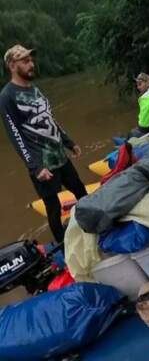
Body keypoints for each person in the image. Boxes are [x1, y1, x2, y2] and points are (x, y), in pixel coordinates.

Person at [1, 45, 87, 242]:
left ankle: (92, 226)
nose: (31, 64)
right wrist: (35, 167)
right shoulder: (7, 97)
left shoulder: (34, 89)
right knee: (54, 207)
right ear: (12, 65)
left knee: (80, 190)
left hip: (59, 154)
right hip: (42, 163)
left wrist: (68, 142)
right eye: (25, 61)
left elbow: (49, 118)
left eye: (31, 60)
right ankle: (62, 246)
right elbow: (16, 136)